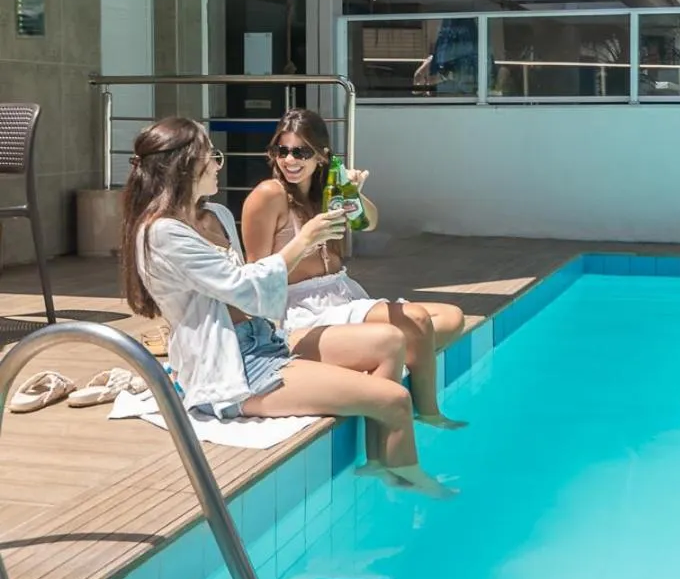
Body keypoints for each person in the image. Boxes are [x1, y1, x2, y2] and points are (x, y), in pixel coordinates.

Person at [119, 117, 453, 498]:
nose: (217, 164)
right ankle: (410, 491)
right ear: (184, 165)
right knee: (394, 399)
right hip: (237, 365)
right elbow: (243, 288)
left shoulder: (216, 215)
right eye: (211, 156)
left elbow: (255, 292)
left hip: (266, 337)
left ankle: (379, 465)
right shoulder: (163, 233)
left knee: (389, 341)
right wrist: (303, 241)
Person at [241, 108, 467, 430]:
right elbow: (256, 274)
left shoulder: (326, 192)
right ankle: (428, 413)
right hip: (300, 308)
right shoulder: (268, 196)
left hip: (341, 295)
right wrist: (304, 241)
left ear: (322, 156)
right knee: (415, 323)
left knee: (450, 318)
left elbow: (369, 223)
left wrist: (353, 193)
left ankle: (353, 360)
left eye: (301, 152)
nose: (290, 160)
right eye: (283, 151)